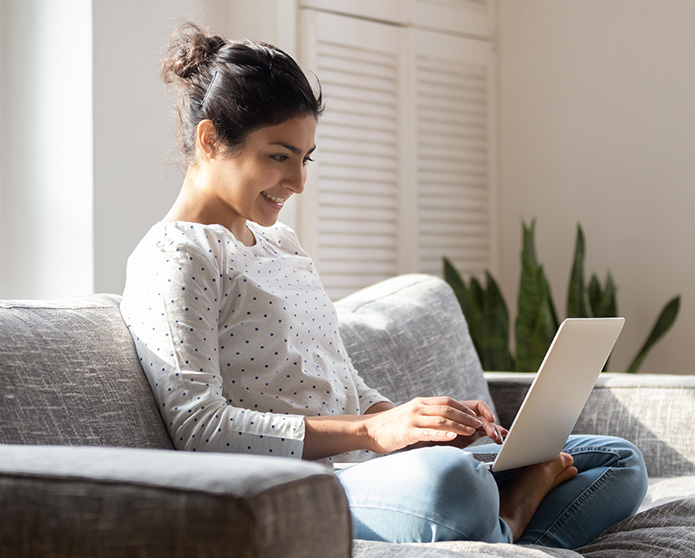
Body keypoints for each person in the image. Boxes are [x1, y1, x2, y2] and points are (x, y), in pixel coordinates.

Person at [120, 22, 647, 548]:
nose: (299, 182)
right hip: (301, 488)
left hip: (373, 474)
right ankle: (512, 516)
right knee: (455, 484)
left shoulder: (281, 245)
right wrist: (371, 433)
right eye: (280, 155)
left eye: (305, 159)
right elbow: (201, 429)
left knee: (618, 460)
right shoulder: (177, 256)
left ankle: (497, 536)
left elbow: (344, 385)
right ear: (210, 139)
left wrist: (416, 423)